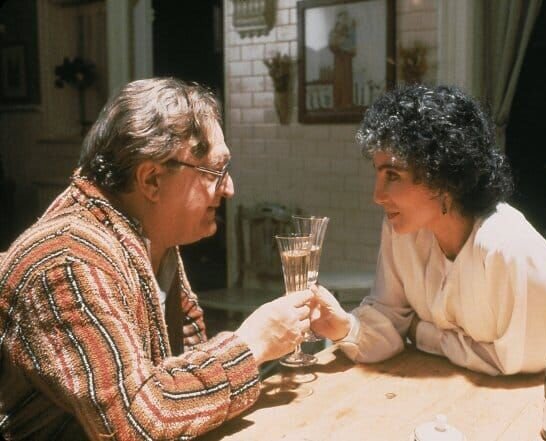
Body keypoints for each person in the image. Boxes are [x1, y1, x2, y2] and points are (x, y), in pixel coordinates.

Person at [0, 78, 312, 440]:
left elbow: (183, 372)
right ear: (151, 180)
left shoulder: (151, 239)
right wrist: (252, 346)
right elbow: (136, 424)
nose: (229, 188)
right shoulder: (69, 262)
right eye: (216, 171)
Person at [310, 84, 546, 376]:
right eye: (378, 175)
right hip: (436, 393)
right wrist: (344, 327)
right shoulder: (402, 231)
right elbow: (389, 319)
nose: (377, 196)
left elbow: (525, 364)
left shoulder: (510, 248)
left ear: (443, 177)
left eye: (393, 175)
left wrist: (421, 333)